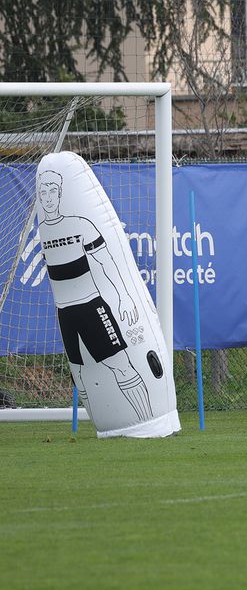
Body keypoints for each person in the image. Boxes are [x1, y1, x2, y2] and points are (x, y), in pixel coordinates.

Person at [38, 169, 152, 422]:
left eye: (52, 192)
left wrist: (123, 297)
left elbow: (105, 261)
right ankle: (103, 424)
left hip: (91, 307)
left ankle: (148, 421)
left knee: (120, 364)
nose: (47, 198)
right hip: (65, 313)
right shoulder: (43, 231)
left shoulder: (81, 225)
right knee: (79, 374)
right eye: (42, 192)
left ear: (60, 194)